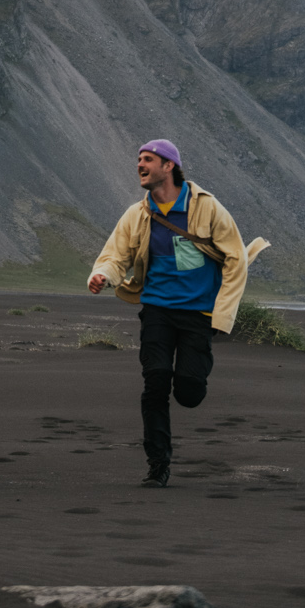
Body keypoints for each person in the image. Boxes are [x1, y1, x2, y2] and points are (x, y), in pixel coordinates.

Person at [88, 139, 268, 488]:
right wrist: (102, 276)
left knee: (188, 391)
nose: (140, 165)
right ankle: (158, 465)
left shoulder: (208, 208)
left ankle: (192, 377)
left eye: (148, 159)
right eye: (139, 159)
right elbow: (116, 255)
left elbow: (236, 259)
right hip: (157, 309)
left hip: (198, 314)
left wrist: (222, 316)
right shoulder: (136, 214)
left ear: (168, 166)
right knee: (155, 381)